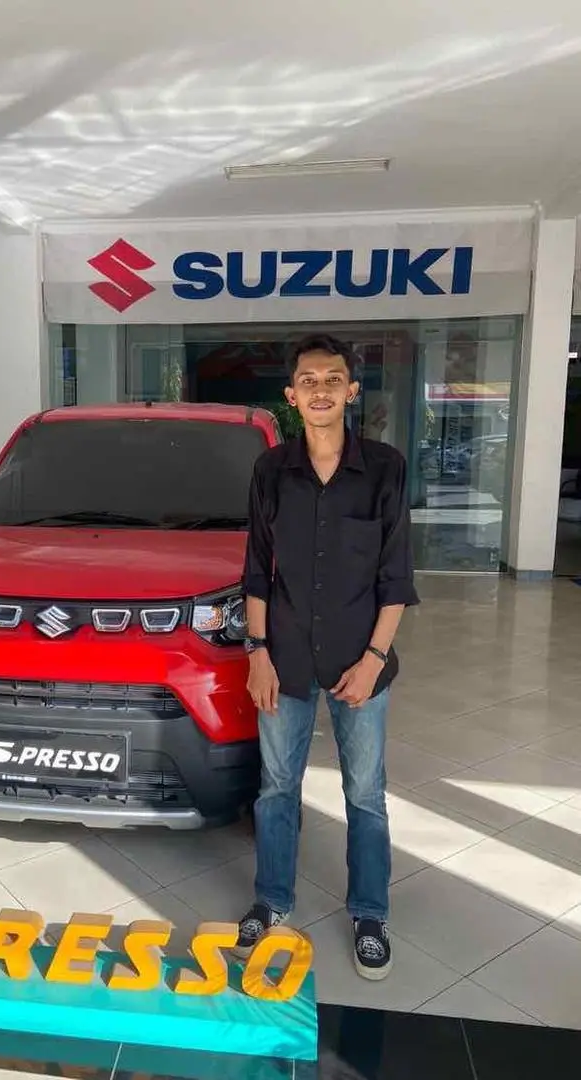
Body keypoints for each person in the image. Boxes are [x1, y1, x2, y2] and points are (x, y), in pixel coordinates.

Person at [236, 333, 419, 980]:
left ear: (351, 390)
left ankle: (369, 912)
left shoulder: (385, 469)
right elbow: (256, 570)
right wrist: (257, 652)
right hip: (283, 657)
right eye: (308, 380)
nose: (320, 390)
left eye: (332, 379)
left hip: (358, 660)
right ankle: (271, 900)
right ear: (291, 395)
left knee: (364, 793)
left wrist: (373, 660)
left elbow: (395, 577)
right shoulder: (270, 472)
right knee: (276, 789)